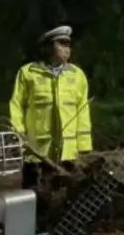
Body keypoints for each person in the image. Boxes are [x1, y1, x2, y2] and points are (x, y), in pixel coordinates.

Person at [9, 25, 93, 190]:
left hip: (68, 155)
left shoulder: (77, 76)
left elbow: (83, 113)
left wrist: (84, 147)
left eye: (68, 44)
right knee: (36, 200)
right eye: (61, 43)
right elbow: (17, 105)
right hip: (37, 154)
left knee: (68, 203)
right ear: (47, 47)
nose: (67, 48)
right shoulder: (28, 73)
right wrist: (18, 136)